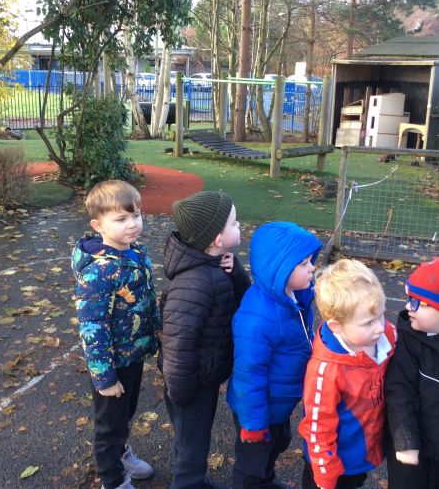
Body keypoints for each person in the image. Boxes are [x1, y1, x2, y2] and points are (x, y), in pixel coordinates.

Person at [71, 180, 161, 489]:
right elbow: (93, 328)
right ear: (98, 226)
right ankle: (112, 480)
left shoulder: (134, 254)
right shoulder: (98, 272)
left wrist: (156, 333)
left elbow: (146, 300)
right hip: (112, 363)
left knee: (125, 413)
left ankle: (121, 454)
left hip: (133, 352)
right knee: (109, 425)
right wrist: (104, 377)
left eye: (136, 215)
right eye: (121, 219)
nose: (132, 224)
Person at [160, 190, 250, 489]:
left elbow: (242, 303)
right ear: (217, 238)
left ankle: (195, 479)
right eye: (234, 223)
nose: (240, 226)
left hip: (203, 377)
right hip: (190, 384)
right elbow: (178, 343)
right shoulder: (193, 283)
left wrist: (237, 273)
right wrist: (182, 392)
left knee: (192, 441)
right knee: (191, 447)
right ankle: (188, 482)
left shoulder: (216, 266)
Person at [226, 221, 322, 488]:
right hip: (258, 409)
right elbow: (249, 375)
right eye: (303, 263)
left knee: (278, 443)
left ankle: (266, 479)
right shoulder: (258, 318)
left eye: (310, 261)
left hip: (280, 401)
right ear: (278, 269)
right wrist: (253, 424)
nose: (312, 268)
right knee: (252, 467)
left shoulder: (294, 297)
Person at [299, 259, 396, 489]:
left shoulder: (385, 336)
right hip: (333, 463)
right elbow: (318, 426)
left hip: (361, 452)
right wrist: (325, 476)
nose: (380, 327)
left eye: (381, 315)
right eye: (368, 322)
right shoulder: (326, 370)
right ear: (336, 326)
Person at [385, 258, 439, 489]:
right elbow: (399, 392)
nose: (409, 307)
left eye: (420, 303)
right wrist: (406, 442)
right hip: (414, 449)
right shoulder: (408, 342)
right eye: (409, 299)